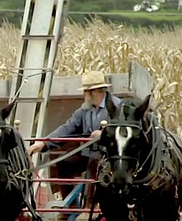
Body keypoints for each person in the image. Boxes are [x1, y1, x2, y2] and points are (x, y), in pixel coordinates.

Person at [27, 70, 122, 206]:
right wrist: (43, 143)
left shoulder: (118, 107)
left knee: (94, 161)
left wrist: (104, 134)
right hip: (89, 153)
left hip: (111, 157)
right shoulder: (85, 110)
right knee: (64, 162)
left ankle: (89, 207)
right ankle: (70, 207)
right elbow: (68, 128)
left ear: (95, 92)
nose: (84, 95)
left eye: (86, 91)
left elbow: (123, 131)